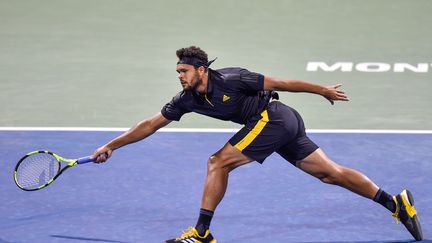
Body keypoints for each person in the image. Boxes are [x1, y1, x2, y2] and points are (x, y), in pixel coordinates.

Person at [92, 46, 423, 242]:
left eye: (183, 71)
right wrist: (112, 145)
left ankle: (202, 232)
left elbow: (280, 82)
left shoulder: (233, 78)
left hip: (274, 118)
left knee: (217, 162)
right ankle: (396, 203)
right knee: (330, 174)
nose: (179, 76)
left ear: (201, 70)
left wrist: (320, 89)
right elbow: (150, 124)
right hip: (278, 126)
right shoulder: (186, 100)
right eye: (177, 71)